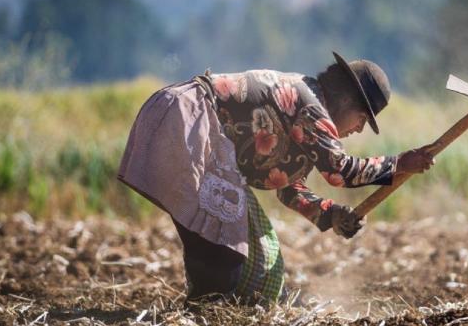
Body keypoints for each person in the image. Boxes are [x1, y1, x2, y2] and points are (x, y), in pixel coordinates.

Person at [117, 52, 434, 304]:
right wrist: (400, 163)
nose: (360, 128)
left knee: (249, 256)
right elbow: (341, 172)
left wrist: (331, 214)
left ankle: (212, 313)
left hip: (187, 125)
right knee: (222, 248)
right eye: (363, 119)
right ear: (347, 101)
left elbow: (288, 187)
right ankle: (203, 319)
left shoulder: (305, 111)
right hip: (188, 123)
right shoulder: (310, 106)